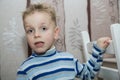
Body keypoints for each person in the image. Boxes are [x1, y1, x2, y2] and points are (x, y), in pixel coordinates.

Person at [17, 3, 111, 80]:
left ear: (55, 33)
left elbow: (88, 74)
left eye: (43, 28)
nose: (36, 35)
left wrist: (98, 50)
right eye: (30, 30)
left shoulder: (68, 59)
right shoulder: (25, 69)